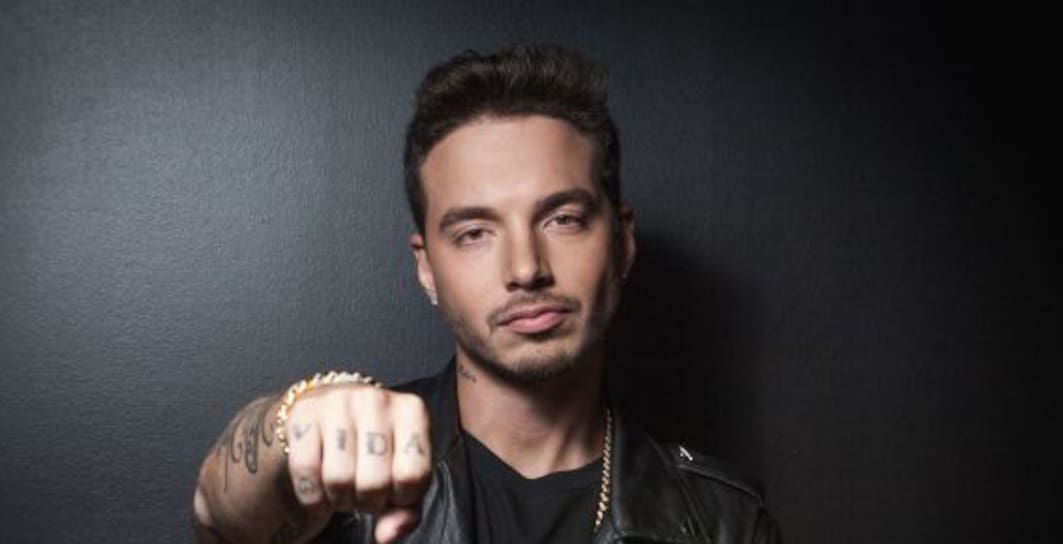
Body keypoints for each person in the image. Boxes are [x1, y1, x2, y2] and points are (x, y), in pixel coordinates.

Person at [191, 44, 780, 544]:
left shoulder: (724, 521)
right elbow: (220, 519)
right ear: (427, 267)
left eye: (563, 219)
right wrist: (293, 425)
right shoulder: (355, 475)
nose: (525, 269)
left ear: (622, 242)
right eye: (474, 233)